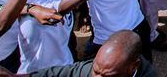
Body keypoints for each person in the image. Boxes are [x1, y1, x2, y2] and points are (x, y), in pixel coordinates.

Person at [17, 30, 158, 77]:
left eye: (107, 76)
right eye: (96, 71)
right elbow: (57, 73)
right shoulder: (101, 68)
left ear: (133, 67)